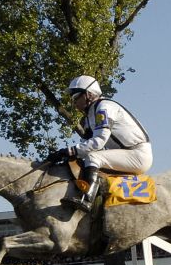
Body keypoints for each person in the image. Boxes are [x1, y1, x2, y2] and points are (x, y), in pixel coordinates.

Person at [43, 75, 153, 212]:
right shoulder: (90, 115)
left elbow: (99, 141)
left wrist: (69, 150)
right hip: (128, 153)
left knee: (94, 157)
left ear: (89, 94)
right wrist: (64, 155)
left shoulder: (103, 108)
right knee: (82, 160)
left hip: (137, 154)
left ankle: (87, 199)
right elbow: (86, 144)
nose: (74, 102)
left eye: (76, 97)